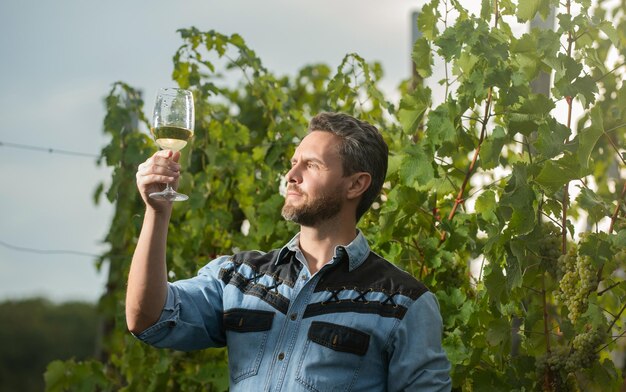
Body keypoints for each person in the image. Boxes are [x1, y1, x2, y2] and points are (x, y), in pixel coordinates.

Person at [127, 112, 452, 391]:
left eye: (311, 165)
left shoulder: (403, 303)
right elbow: (148, 318)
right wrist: (157, 212)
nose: (291, 176)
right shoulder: (239, 277)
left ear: (355, 185)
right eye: (294, 163)